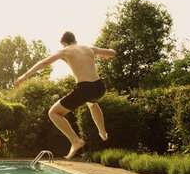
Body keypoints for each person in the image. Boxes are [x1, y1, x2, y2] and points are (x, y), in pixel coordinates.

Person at [14, 31, 116, 159]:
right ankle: (103, 132)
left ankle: (75, 140)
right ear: (75, 40)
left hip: (85, 88)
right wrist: (107, 55)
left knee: (53, 113)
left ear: (64, 43)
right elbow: (113, 52)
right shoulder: (89, 48)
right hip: (99, 87)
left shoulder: (65, 51)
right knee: (92, 103)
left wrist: (23, 76)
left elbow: (44, 63)